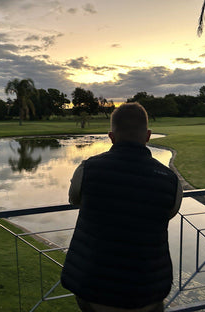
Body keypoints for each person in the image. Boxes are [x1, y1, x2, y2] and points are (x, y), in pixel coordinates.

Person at [61, 102, 183, 312]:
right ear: (148, 136)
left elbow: (75, 199)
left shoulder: (88, 169)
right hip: (149, 290)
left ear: (111, 136)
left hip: (93, 289)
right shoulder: (171, 181)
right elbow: (168, 213)